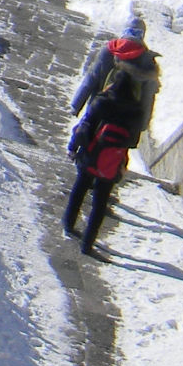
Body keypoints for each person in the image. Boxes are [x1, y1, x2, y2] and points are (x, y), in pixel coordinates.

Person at [65, 70, 146, 254]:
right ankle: (88, 244)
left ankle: (69, 225)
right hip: (111, 162)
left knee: (79, 191)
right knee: (99, 204)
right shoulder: (136, 111)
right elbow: (132, 142)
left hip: (90, 155)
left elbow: (84, 126)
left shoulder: (102, 101)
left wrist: (73, 148)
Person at [69, 14, 160, 131]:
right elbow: (148, 97)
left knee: (84, 140)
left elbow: (91, 78)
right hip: (124, 121)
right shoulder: (147, 60)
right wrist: (143, 125)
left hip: (98, 109)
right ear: (142, 35)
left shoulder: (109, 50)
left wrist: (76, 105)